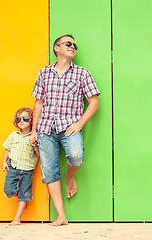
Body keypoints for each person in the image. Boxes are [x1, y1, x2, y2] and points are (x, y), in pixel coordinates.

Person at [30, 34, 100, 226]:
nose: (73, 47)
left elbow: (94, 103)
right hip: (45, 128)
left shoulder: (82, 73)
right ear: (57, 48)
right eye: (68, 44)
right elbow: (39, 103)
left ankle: (70, 176)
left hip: (69, 126)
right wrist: (34, 131)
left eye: (74, 45)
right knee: (50, 172)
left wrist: (79, 124)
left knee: (76, 157)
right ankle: (61, 216)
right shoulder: (44, 73)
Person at [2, 107, 39, 226]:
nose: (21, 121)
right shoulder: (14, 135)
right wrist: (4, 161)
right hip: (13, 167)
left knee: (24, 193)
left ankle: (17, 218)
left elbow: (40, 155)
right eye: (18, 119)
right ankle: (22, 197)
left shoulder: (35, 136)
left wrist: (35, 146)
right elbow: (7, 149)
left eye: (25, 118)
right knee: (8, 190)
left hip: (27, 170)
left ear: (32, 121)